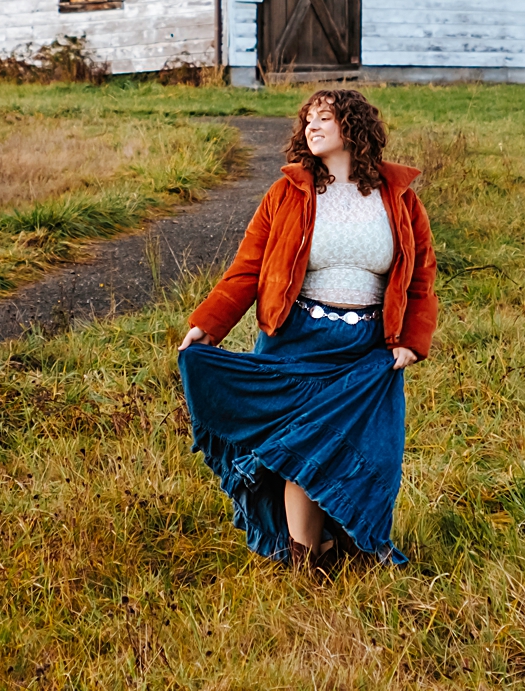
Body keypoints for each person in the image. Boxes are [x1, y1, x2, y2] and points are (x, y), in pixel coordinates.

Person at [177, 88, 437, 572]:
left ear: (354, 129)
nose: (312, 127)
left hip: (366, 350)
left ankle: (342, 545)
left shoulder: (398, 198)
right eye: (308, 120)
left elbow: (421, 277)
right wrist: (208, 325)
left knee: (363, 454)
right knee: (299, 445)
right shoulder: (287, 194)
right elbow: (247, 269)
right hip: (296, 341)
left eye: (326, 118)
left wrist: (411, 342)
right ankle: (304, 558)